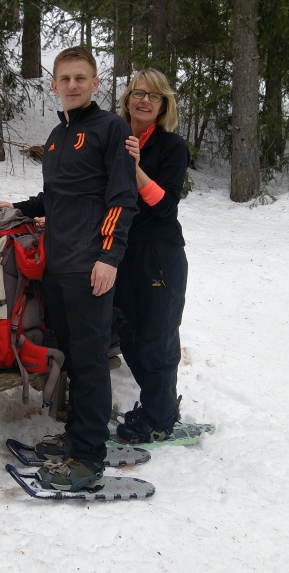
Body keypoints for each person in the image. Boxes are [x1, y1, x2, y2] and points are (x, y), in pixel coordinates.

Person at [0, 46, 138, 491]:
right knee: (74, 357)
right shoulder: (58, 136)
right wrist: (18, 207)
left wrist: (108, 258)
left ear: (95, 83)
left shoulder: (111, 129)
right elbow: (56, 198)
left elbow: (121, 199)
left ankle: (88, 457)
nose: (72, 85)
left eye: (81, 78)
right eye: (65, 79)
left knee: (91, 361)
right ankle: (77, 437)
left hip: (90, 266)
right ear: (54, 85)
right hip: (57, 266)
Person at [113, 69, 191, 443]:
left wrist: (135, 169)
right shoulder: (112, 138)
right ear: (127, 98)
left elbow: (165, 207)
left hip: (159, 252)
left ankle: (159, 418)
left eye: (154, 96)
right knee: (128, 333)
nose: (145, 101)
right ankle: (160, 408)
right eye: (138, 93)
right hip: (120, 251)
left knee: (157, 337)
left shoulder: (172, 147)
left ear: (163, 106)